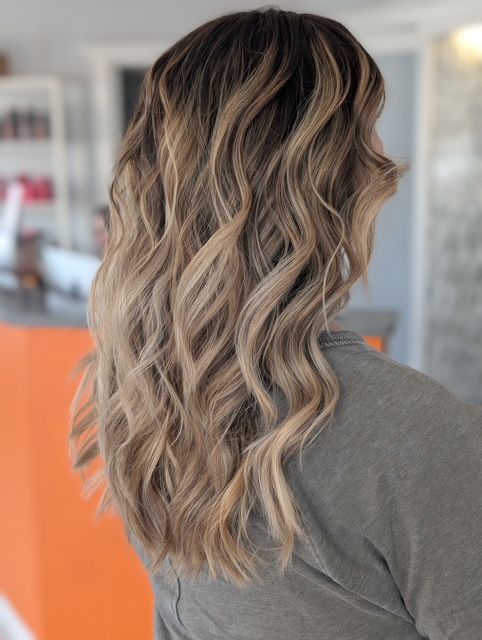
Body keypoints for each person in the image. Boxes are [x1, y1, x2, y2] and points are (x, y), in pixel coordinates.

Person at [69, 8, 482, 639]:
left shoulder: (137, 387)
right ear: (329, 179)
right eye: (366, 131)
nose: (383, 159)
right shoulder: (416, 435)